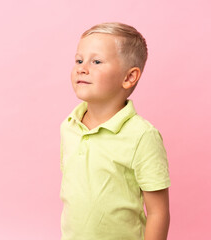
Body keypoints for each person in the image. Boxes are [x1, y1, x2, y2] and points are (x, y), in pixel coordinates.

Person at [59, 22, 171, 240]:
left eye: (97, 61)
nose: (82, 68)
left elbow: (158, 212)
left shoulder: (142, 135)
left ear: (129, 77)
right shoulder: (69, 126)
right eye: (79, 60)